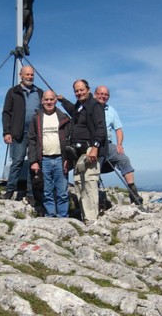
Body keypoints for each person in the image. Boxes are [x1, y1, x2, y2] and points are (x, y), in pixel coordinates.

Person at [58, 80, 108, 223]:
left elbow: (101, 128)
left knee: (90, 183)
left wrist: (95, 148)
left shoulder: (95, 105)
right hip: (77, 152)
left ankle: (92, 220)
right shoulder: (80, 106)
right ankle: (85, 216)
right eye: (76, 91)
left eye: (81, 90)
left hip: (89, 150)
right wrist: (62, 100)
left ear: (88, 89)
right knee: (80, 183)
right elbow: (72, 110)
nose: (79, 93)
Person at [94, 85, 143, 204]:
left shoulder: (111, 110)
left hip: (108, 144)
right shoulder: (89, 108)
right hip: (92, 144)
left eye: (106, 94)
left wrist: (119, 144)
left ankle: (133, 192)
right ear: (95, 94)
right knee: (94, 169)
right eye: (100, 93)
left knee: (123, 158)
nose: (103, 96)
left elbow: (118, 129)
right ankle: (94, 197)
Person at [1, 66, 43, 203]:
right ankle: (9, 190)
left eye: (31, 75)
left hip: (35, 134)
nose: (30, 77)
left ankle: (31, 193)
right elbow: (6, 112)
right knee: (17, 161)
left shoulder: (39, 92)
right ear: (21, 75)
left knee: (33, 162)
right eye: (27, 74)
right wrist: (6, 132)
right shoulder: (13, 92)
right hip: (18, 133)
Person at [28, 90, 71, 217]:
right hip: (44, 160)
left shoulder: (64, 117)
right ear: (42, 101)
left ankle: (63, 217)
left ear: (56, 100)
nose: (49, 102)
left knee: (62, 191)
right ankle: (50, 215)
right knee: (47, 191)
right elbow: (31, 140)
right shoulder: (36, 118)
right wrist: (33, 161)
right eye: (46, 99)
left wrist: (68, 158)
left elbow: (69, 139)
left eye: (51, 99)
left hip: (60, 159)